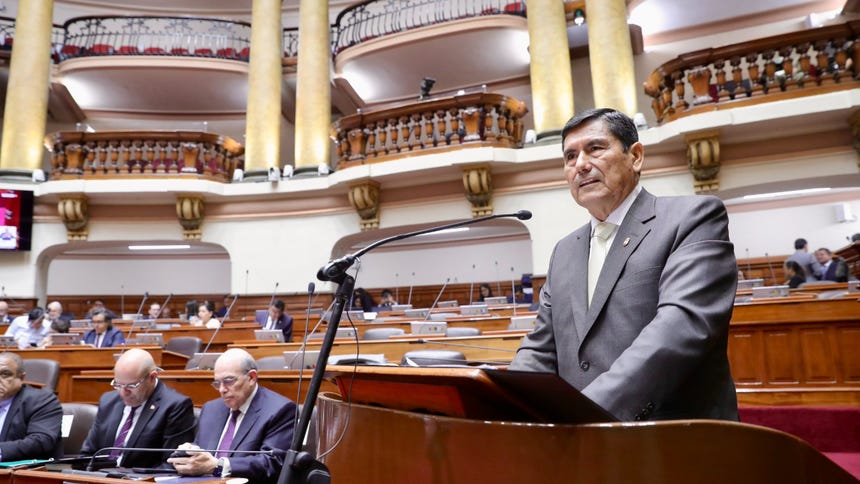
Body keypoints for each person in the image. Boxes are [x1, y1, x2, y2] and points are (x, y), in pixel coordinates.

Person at [510, 108, 739, 422]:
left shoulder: (692, 218)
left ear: (636, 156)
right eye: (570, 156)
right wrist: (507, 406)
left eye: (595, 149)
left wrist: (584, 413)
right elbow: (540, 347)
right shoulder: (564, 251)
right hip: (581, 443)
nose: (580, 165)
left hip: (671, 438)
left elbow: (680, 328)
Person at [168, 348, 296, 482]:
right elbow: (203, 450)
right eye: (217, 383)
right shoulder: (211, 409)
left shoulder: (279, 410)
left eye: (228, 381)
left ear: (251, 378)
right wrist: (189, 453)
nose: (222, 390)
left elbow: (271, 463)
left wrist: (217, 467)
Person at [81, 348, 196, 468]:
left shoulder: (175, 406)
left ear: (152, 377)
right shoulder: (108, 401)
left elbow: (171, 465)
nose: (123, 393)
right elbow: (88, 454)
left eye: (131, 386)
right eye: (118, 384)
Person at [0, 352, 63, 460]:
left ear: (21, 377)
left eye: (5, 374)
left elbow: (41, 441)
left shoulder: (42, 401)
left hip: (27, 472)